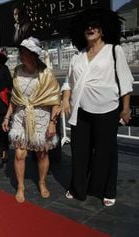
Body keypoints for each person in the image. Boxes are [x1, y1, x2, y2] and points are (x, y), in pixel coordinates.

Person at [62, 9, 133, 207]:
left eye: (95, 25)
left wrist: (125, 108)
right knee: (80, 151)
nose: (90, 29)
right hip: (81, 110)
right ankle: (78, 187)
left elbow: (126, 81)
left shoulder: (113, 50)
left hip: (107, 109)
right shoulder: (78, 56)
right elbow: (69, 82)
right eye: (87, 26)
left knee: (106, 152)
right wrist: (65, 99)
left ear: (103, 30)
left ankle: (107, 190)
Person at [2, 37, 61, 203]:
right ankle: (20, 186)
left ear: (35, 55)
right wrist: (7, 116)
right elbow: (15, 98)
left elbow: (55, 100)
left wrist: (52, 123)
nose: (22, 55)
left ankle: (42, 182)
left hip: (41, 116)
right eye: (21, 52)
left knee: (41, 153)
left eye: (26, 52)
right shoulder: (17, 71)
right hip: (21, 116)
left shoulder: (46, 74)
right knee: (20, 154)